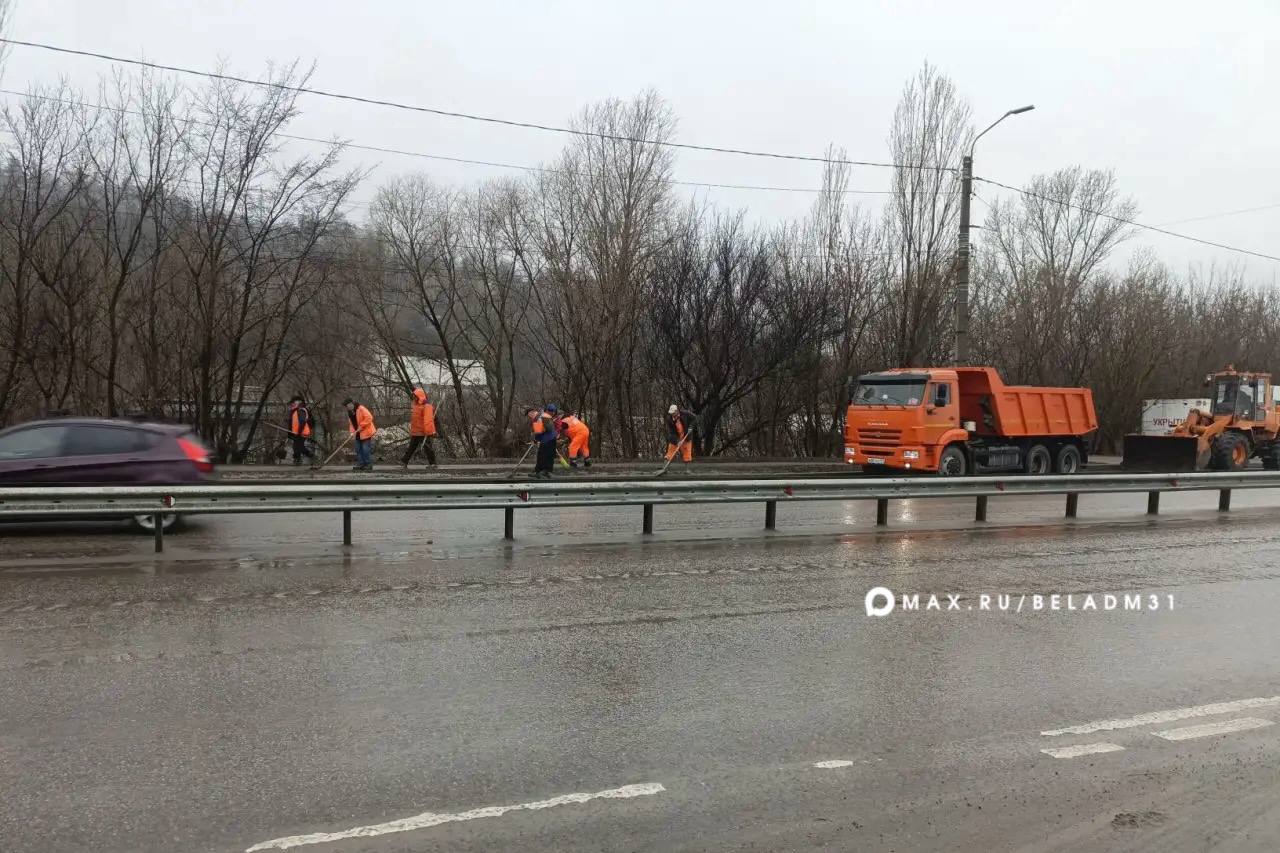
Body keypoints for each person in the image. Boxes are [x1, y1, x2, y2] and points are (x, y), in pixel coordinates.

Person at [401, 387, 438, 469]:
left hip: (424, 431)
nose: (413, 397)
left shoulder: (426, 406)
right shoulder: (415, 405)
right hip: (416, 431)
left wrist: (429, 431)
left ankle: (433, 464)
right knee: (411, 448)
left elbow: (428, 420)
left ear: (419, 396)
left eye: (415, 396)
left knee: (428, 448)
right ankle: (404, 462)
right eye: (413, 396)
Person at [343, 398, 377, 471]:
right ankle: (361, 464)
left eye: (347, 406)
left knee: (365, 448)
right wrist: (352, 432)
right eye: (346, 407)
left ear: (351, 404)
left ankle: (368, 464)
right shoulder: (350, 412)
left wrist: (361, 425)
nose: (347, 408)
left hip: (366, 432)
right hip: (358, 433)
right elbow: (351, 423)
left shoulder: (361, 408)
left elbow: (369, 418)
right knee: (358, 449)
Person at [526, 405, 558, 478]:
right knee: (543, 455)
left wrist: (536, 439)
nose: (529, 417)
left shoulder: (537, 417)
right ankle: (540, 471)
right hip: (549, 438)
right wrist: (537, 439)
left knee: (544, 455)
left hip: (548, 439)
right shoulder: (542, 415)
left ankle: (544, 471)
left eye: (528, 415)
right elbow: (542, 430)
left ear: (532, 412)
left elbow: (538, 432)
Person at [285, 395, 314, 466]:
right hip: (297, 432)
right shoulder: (295, 411)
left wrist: (299, 432)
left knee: (298, 447)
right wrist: (290, 434)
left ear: (298, 402)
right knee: (297, 446)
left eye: (293, 402)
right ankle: (298, 460)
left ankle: (309, 457)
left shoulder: (301, 410)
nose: (292, 404)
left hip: (302, 432)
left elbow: (302, 422)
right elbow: (293, 424)